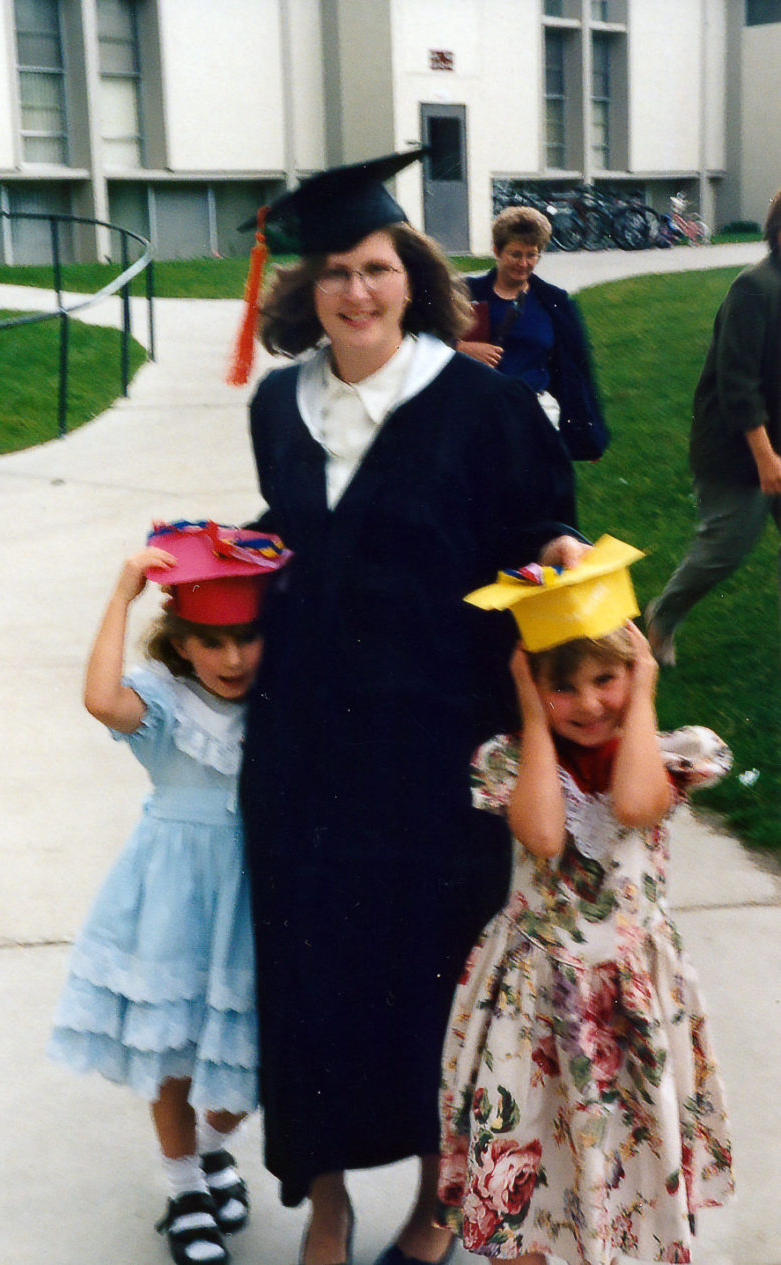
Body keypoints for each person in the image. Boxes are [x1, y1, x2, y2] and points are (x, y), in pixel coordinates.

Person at [234, 150, 587, 1265]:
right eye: (334, 271)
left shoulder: (484, 404)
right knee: (309, 972)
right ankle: (324, 1191)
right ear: (307, 290)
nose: (357, 290)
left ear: (413, 273)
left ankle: (441, 1196)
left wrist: (560, 557)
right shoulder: (277, 405)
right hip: (302, 745)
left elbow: (538, 525)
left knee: (442, 970)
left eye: (377, 265)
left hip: (441, 741)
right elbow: (294, 533)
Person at [437, 537, 734, 1265]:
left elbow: (634, 805)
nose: (589, 702)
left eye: (608, 678)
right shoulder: (510, 760)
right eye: (561, 687)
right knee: (525, 1157)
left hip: (629, 1001)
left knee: (624, 1165)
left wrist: (647, 689)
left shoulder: (671, 754)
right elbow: (542, 833)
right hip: (532, 1000)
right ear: (532, 685)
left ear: (634, 670)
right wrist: (534, 722)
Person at [48, 519, 290, 1265]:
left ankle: (214, 1146)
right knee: (174, 1049)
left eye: (246, 637)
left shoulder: (280, 702)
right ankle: (185, 1185)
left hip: (256, 895)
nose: (231, 657)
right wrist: (123, 593)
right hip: (174, 896)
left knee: (248, 1058)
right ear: (181, 641)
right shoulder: (164, 705)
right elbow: (99, 698)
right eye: (211, 641)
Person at [646, 188, 781, 666]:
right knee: (725, 547)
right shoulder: (755, 288)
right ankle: (661, 617)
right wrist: (765, 456)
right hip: (737, 447)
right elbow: (737, 382)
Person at [458, 205, 608, 461]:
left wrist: (589, 434)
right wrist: (459, 347)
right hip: (482, 416)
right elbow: (420, 341)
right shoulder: (467, 293)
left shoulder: (554, 301)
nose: (524, 263)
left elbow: (577, 367)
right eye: (515, 254)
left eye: (532, 255)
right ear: (496, 251)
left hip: (537, 414)